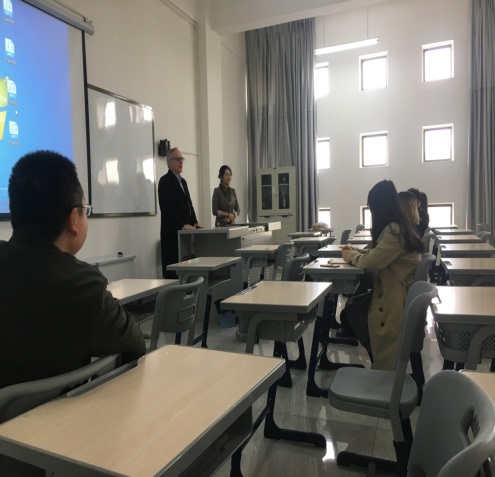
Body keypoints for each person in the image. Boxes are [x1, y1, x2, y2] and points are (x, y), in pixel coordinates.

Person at [0, 150, 145, 390]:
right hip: (65, 412)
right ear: (73, 220)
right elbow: (135, 344)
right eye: (85, 208)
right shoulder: (86, 287)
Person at [340, 180, 423, 370]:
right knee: (352, 310)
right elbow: (378, 254)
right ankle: (374, 354)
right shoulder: (401, 227)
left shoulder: (395, 231)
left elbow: (372, 262)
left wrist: (349, 255)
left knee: (352, 311)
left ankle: (377, 359)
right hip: (398, 295)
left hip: (394, 303)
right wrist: (355, 251)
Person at [158, 147, 203, 278]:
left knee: (187, 270)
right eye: (177, 159)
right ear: (169, 162)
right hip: (172, 235)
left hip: (185, 234)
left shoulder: (183, 181)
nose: (181, 162)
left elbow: (189, 204)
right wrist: (181, 225)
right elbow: (166, 209)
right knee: (174, 274)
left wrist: (195, 222)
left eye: (182, 159)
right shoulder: (165, 181)